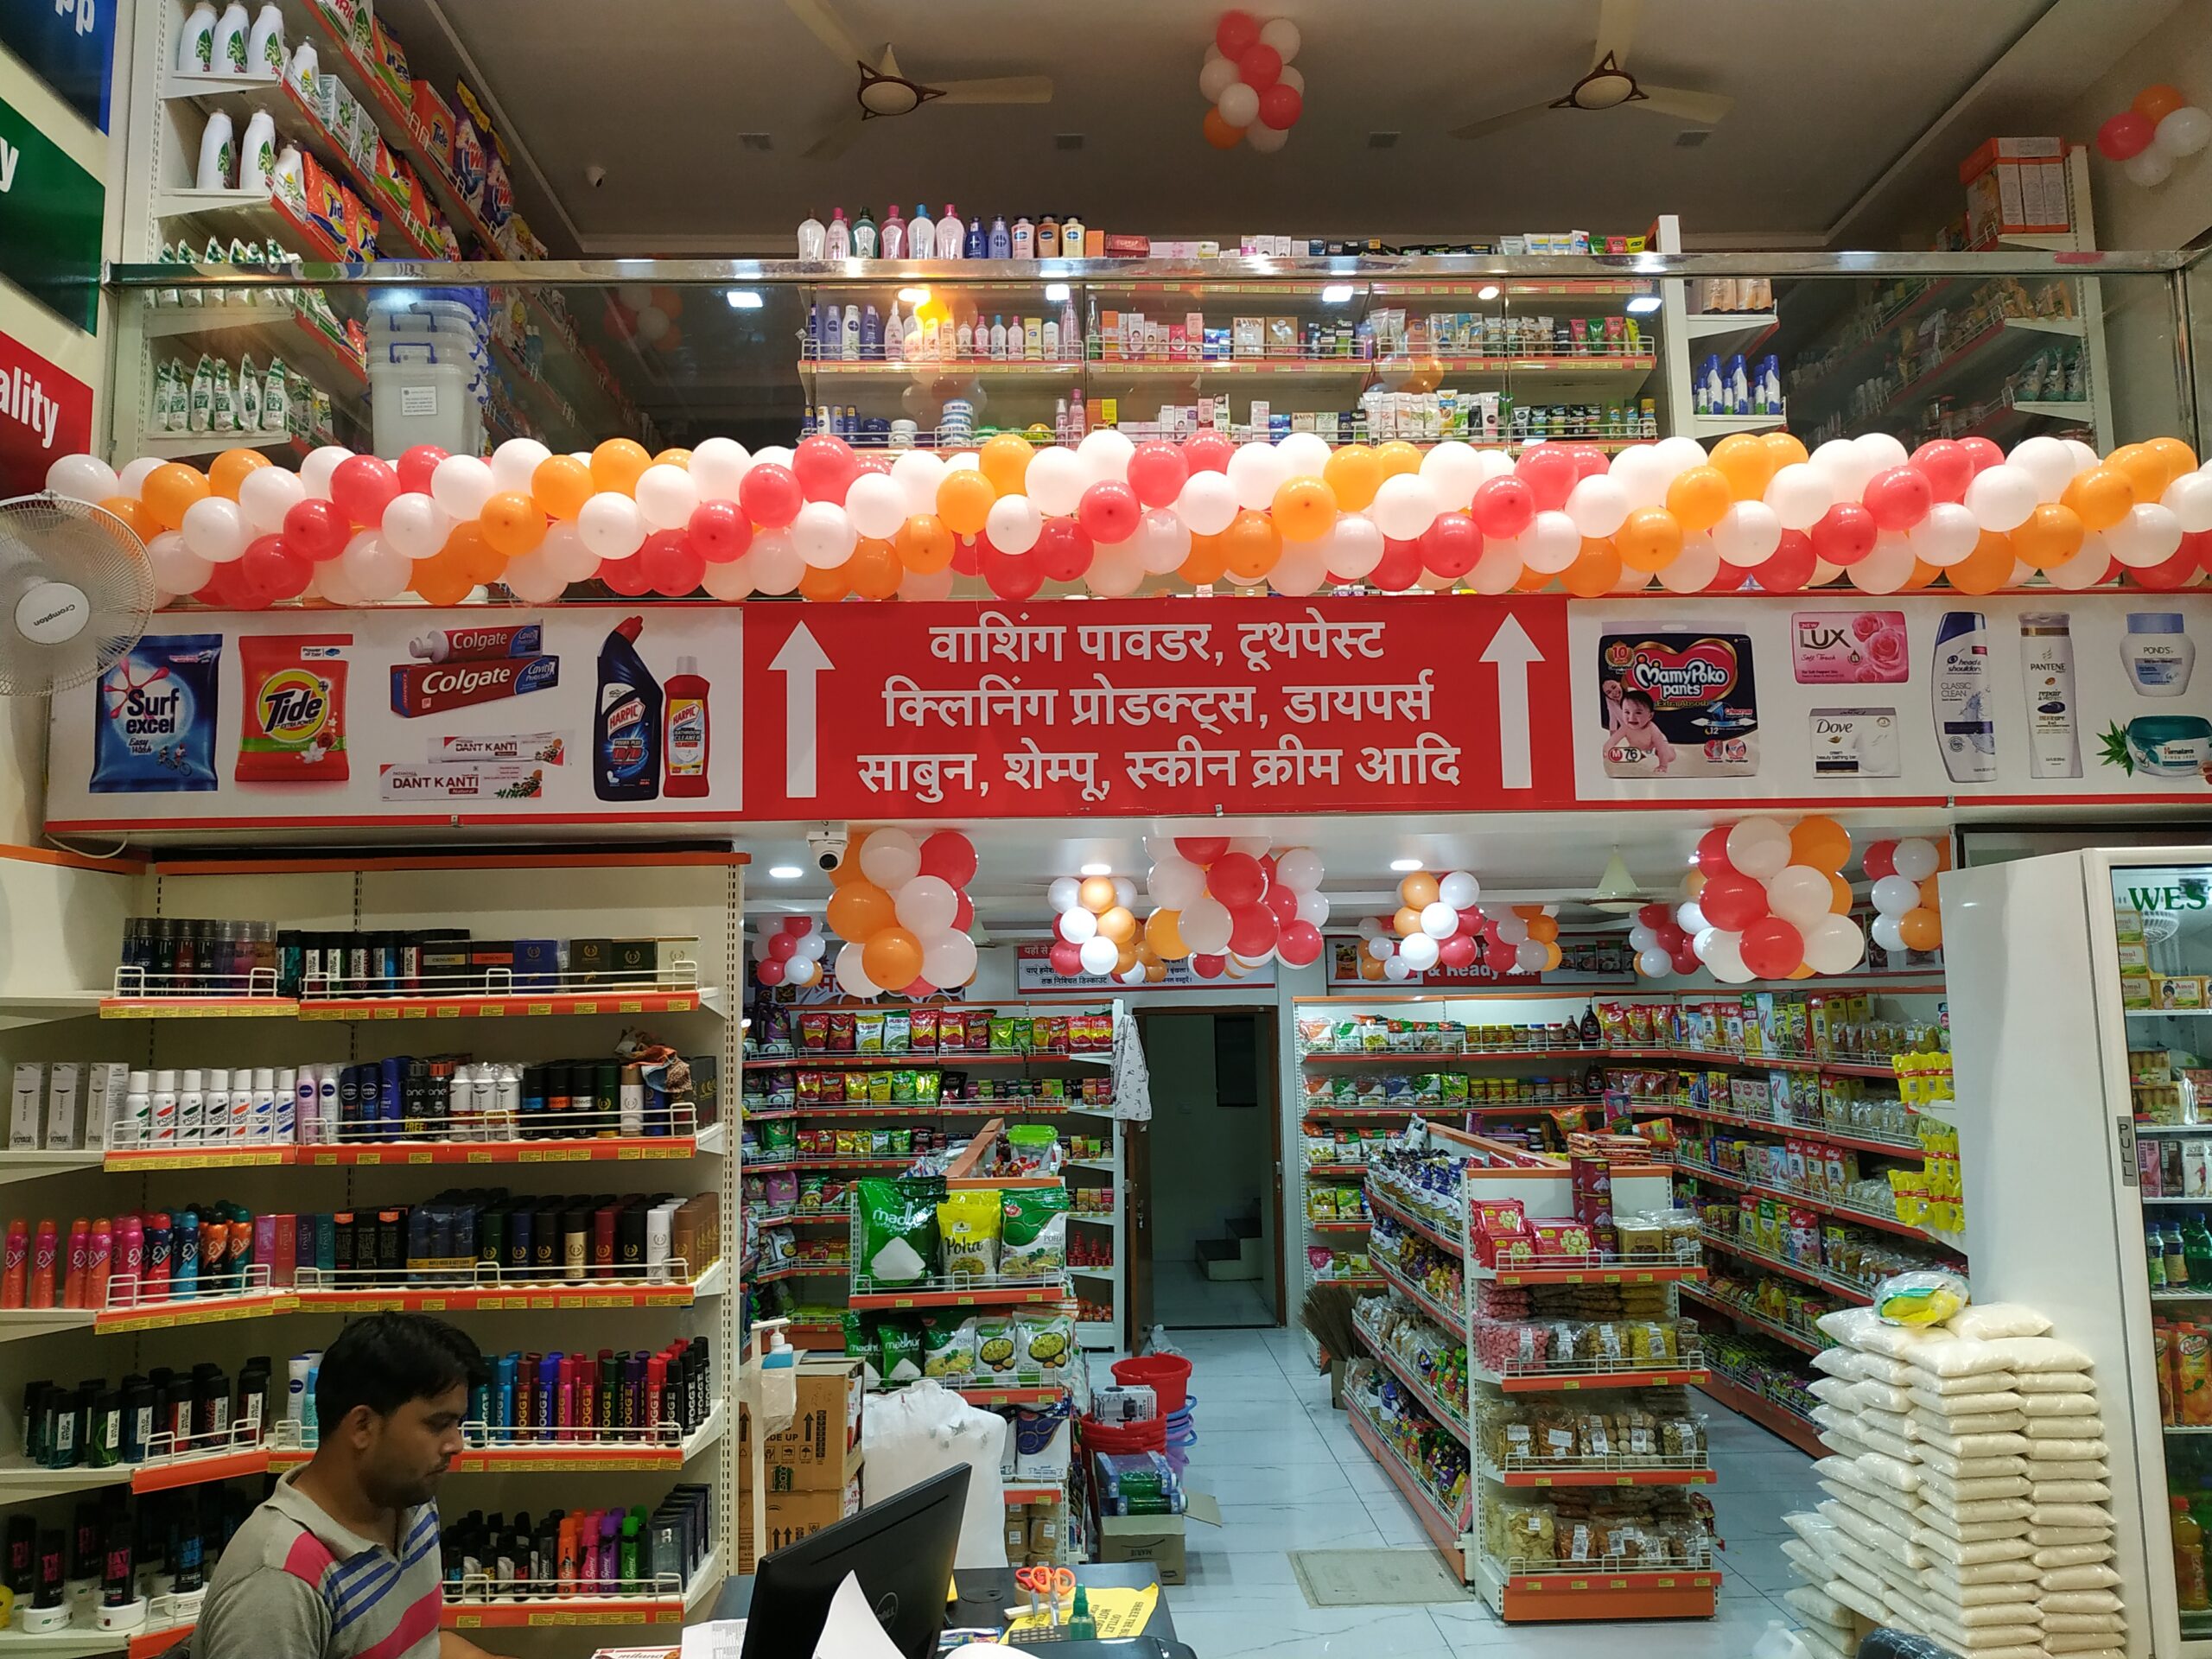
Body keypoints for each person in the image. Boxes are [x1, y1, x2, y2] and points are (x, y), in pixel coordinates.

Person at [191, 1313, 502, 1659]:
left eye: (458, 1423)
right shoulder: (277, 1586)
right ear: (362, 1426)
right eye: (439, 1424)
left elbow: (423, 1647)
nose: (456, 1444)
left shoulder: (412, 1503)